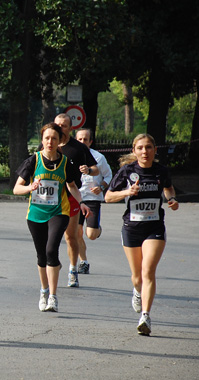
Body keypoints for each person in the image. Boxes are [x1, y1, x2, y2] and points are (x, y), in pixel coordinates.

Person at [105, 134, 179, 336]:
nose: (144, 151)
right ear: (134, 150)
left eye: (148, 147)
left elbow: (168, 188)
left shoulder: (161, 171)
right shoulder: (127, 171)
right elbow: (108, 196)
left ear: (155, 150)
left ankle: (145, 316)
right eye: (140, 148)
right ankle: (137, 291)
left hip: (154, 227)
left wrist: (171, 199)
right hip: (131, 228)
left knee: (148, 271)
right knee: (137, 277)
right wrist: (126, 193)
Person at [14, 122, 90, 312]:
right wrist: (29, 188)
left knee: (51, 250)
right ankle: (44, 291)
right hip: (36, 214)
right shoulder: (33, 161)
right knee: (42, 255)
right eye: (47, 138)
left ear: (60, 141)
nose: (50, 141)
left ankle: (54, 297)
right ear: (42, 140)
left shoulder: (66, 163)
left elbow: (72, 186)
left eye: (54, 138)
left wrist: (81, 202)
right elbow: (17, 188)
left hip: (58, 212)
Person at [53, 114, 99, 288]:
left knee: (70, 236)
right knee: (51, 237)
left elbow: (96, 169)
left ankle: (73, 270)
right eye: (57, 124)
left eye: (64, 125)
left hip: (71, 196)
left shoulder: (78, 148)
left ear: (70, 128)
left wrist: (88, 169)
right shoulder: (48, 143)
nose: (60, 128)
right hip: (50, 199)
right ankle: (53, 263)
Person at [75, 128, 113, 274]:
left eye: (85, 139)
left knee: (91, 235)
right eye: (79, 139)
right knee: (77, 233)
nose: (82, 142)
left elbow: (108, 176)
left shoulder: (99, 158)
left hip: (92, 199)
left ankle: (97, 229)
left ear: (90, 141)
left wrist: (101, 187)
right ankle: (83, 262)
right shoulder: (72, 155)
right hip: (77, 198)